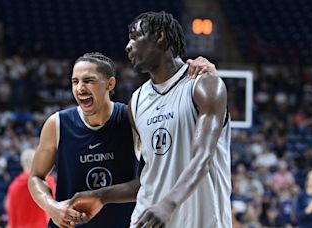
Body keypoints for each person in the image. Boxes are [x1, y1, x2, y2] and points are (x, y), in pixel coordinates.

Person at [69, 11, 231, 228]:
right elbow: (151, 177)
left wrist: (168, 204)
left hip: (201, 221)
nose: (128, 46)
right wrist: (101, 196)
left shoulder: (203, 85)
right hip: (148, 220)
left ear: (161, 37)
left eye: (135, 37)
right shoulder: (136, 103)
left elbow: (203, 157)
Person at [28, 52, 217, 228]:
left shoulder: (132, 117)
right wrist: (52, 207)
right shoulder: (57, 123)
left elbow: (164, 162)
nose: (80, 88)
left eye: (88, 80)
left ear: (110, 84)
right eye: (75, 81)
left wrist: (197, 74)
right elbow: (36, 177)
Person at [6, 148, 56, 228]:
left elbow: (12, 215)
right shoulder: (47, 181)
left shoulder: (13, 186)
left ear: (22, 164)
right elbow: (55, 207)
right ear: (37, 161)